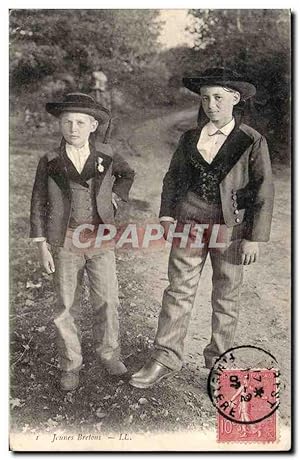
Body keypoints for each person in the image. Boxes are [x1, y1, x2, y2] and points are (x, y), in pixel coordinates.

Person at [130, 67, 274, 389]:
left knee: (226, 295)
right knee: (178, 290)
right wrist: (167, 215)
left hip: (232, 230)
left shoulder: (251, 141)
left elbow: (264, 190)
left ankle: (219, 363)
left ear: (235, 99)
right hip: (190, 223)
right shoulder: (190, 138)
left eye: (219, 98)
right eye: (206, 98)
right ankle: (165, 357)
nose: (212, 105)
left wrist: (254, 237)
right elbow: (174, 179)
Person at [30, 92, 135, 391]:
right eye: (67, 122)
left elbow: (128, 174)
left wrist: (115, 197)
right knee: (65, 304)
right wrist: (42, 244)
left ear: (92, 125)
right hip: (65, 241)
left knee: (107, 299)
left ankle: (109, 354)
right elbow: (38, 200)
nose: (73, 128)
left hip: (100, 238)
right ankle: (71, 363)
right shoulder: (50, 160)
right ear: (60, 125)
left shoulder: (107, 154)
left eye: (80, 122)